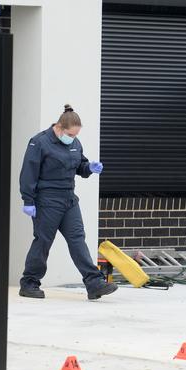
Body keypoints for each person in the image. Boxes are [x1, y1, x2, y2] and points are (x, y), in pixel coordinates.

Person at [18, 104, 118, 300]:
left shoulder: (74, 142)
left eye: (75, 135)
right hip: (47, 200)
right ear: (59, 128)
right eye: (70, 134)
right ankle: (29, 283)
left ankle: (94, 283)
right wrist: (28, 199)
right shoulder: (39, 142)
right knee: (43, 241)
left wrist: (89, 167)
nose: (72, 138)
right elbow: (28, 173)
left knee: (77, 239)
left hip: (69, 200)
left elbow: (79, 165)